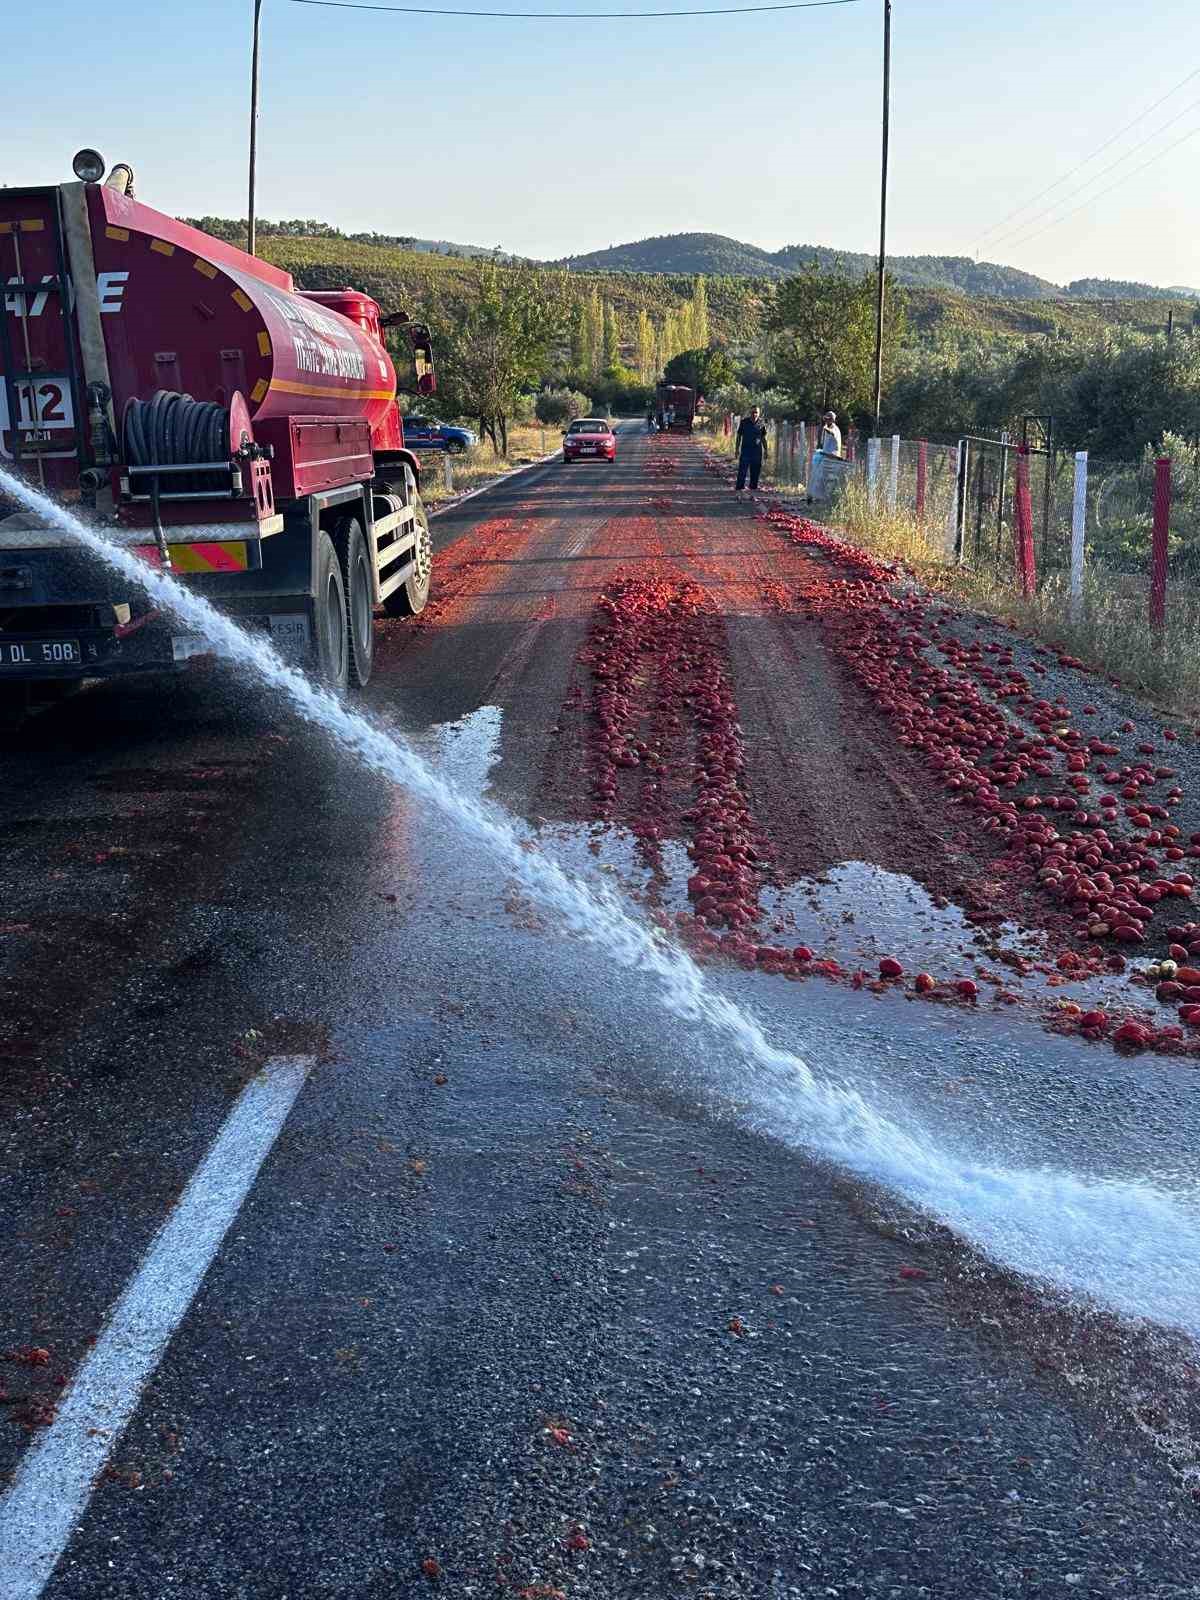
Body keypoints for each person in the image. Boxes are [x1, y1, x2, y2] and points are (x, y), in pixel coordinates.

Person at [807, 409, 843, 502]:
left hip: (832, 457)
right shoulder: (826, 428)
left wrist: (826, 429)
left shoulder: (834, 429)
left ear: (832, 420)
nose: (827, 421)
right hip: (826, 455)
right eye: (826, 419)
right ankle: (815, 496)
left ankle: (820, 497)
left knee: (823, 478)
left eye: (829, 419)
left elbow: (832, 433)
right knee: (819, 476)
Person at [735, 405, 767, 493]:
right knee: (742, 470)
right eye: (753, 412)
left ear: (759, 413)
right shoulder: (744, 422)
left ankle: (753, 488)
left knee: (755, 471)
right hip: (746, 450)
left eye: (756, 412)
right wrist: (736, 449)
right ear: (750, 413)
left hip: (757, 451)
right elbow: (738, 436)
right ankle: (739, 488)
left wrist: (766, 450)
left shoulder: (761, 423)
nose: (754, 414)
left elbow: (763, 438)